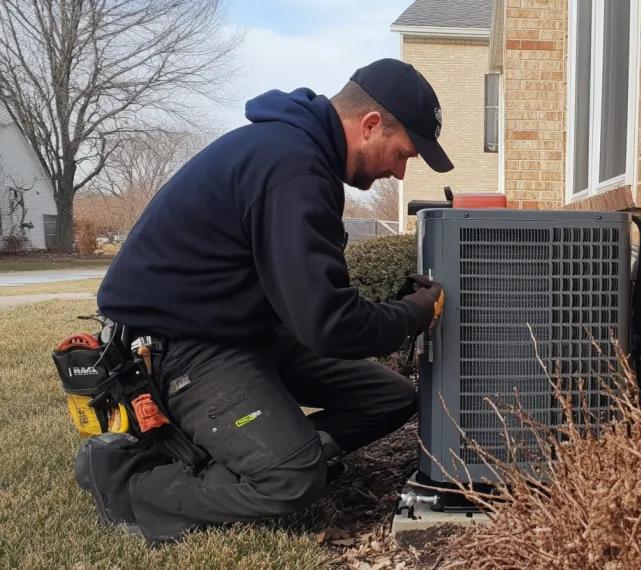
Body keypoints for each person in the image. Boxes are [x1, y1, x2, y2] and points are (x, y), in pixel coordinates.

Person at [76, 58, 452, 543]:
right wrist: (413, 316)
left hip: (244, 331)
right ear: (371, 125)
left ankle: (263, 450)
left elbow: (311, 301)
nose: (400, 173)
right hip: (183, 347)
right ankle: (134, 485)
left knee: (391, 397)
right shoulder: (291, 167)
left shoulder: (295, 155)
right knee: (291, 480)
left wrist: (391, 311)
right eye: (403, 154)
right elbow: (329, 324)